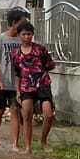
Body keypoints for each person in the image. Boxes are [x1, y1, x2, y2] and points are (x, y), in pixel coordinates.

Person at [11, 19, 57, 152]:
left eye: (29, 34)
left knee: (48, 114)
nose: (26, 37)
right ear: (19, 35)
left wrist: (39, 74)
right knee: (27, 115)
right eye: (24, 34)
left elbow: (50, 65)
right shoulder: (15, 53)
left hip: (43, 85)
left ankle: (43, 141)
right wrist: (18, 91)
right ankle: (28, 146)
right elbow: (17, 73)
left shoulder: (40, 49)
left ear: (33, 34)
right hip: (25, 87)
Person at [0, 9, 30, 148]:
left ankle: (14, 144)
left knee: (15, 111)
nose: (25, 25)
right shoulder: (0, 39)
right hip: (0, 83)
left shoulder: (21, 39)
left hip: (16, 84)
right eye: (22, 22)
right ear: (14, 23)